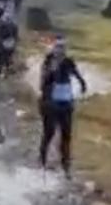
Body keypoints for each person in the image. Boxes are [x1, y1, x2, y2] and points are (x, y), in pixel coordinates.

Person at [38, 37, 88, 178]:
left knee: (66, 135)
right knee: (49, 133)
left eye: (63, 48)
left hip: (65, 104)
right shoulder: (48, 62)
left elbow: (78, 76)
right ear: (53, 49)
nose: (60, 51)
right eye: (58, 47)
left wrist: (82, 84)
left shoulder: (68, 61)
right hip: (49, 104)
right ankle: (42, 162)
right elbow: (42, 85)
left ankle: (66, 166)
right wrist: (51, 72)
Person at [0, 6, 19, 88]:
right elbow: (16, 35)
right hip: (10, 45)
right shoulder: (13, 23)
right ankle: (7, 70)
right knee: (8, 58)